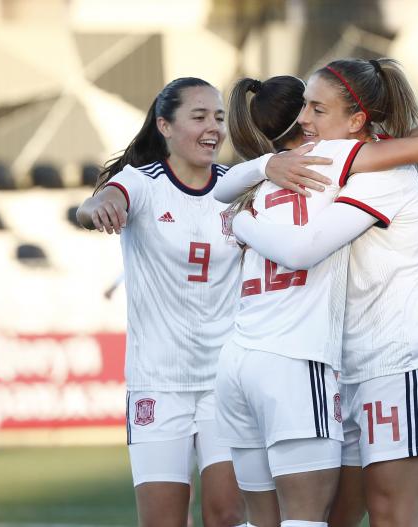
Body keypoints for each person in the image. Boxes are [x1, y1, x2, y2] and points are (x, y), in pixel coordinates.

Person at [215, 67, 418, 527]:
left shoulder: (378, 167)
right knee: (331, 518)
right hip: (342, 366)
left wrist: (238, 222)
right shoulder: (322, 164)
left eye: (317, 108)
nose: (303, 117)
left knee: (392, 514)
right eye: (304, 104)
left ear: (355, 121)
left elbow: (304, 248)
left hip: (397, 361)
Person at [76, 77, 247, 527]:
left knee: (227, 515)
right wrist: (97, 207)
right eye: (199, 116)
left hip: (225, 382)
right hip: (157, 384)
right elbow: (100, 201)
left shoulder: (238, 185)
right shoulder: (142, 183)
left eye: (218, 117)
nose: (213, 127)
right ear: (165, 126)